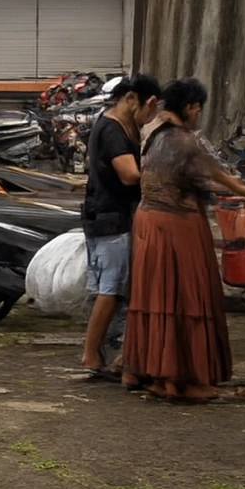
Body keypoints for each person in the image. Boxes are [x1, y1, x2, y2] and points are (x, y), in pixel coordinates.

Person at [121, 78, 245, 402]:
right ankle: (179, 378)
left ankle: (144, 369)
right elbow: (216, 177)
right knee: (185, 297)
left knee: (153, 297)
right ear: (190, 107)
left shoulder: (151, 131)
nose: (199, 114)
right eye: (198, 108)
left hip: (147, 221)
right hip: (177, 224)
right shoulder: (186, 140)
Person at [80, 73, 161, 378]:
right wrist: (164, 175)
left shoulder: (118, 124)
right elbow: (129, 175)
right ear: (135, 100)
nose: (149, 116)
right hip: (110, 217)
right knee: (110, 290)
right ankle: (90, 354)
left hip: (109, 214)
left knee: (114, 289)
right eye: (150, 109)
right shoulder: (112, 129)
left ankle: (108, 353)